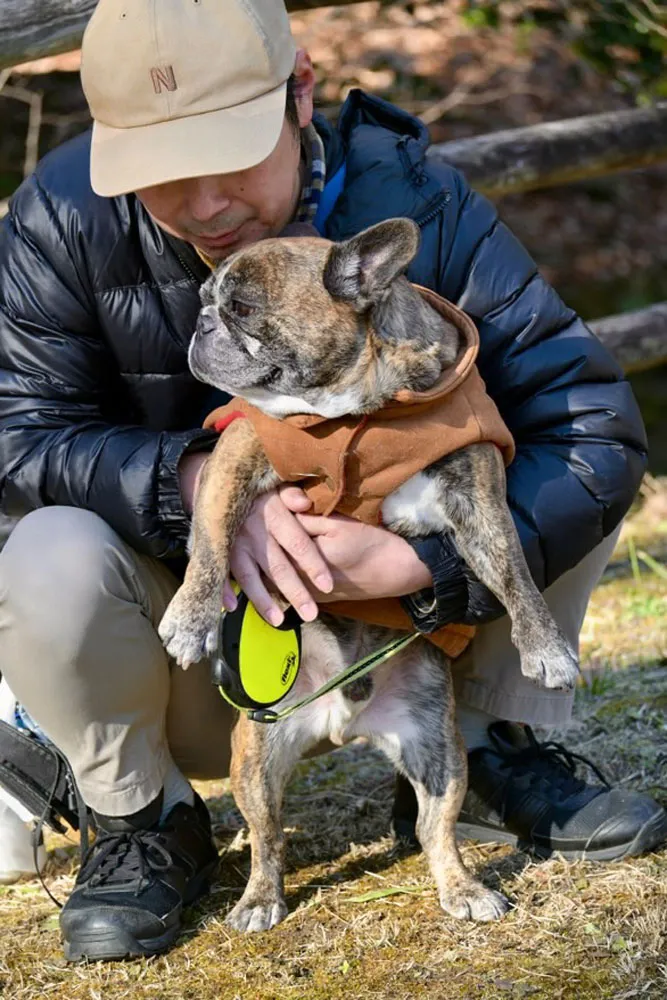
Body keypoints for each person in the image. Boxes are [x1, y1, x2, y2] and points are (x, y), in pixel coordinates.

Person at [0, 0, 664, 963]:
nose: (203, 204)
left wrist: (416, 562)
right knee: (47, 549)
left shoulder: (419, 200)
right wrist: (196, 491)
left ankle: (480, 750)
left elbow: (593, 424)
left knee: (550, 466)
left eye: (227, 158)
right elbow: (20, 436)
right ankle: (143, 814)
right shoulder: (58, 215)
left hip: (427, 624)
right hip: (206, 644)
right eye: (157, 179)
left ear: (299, 93)